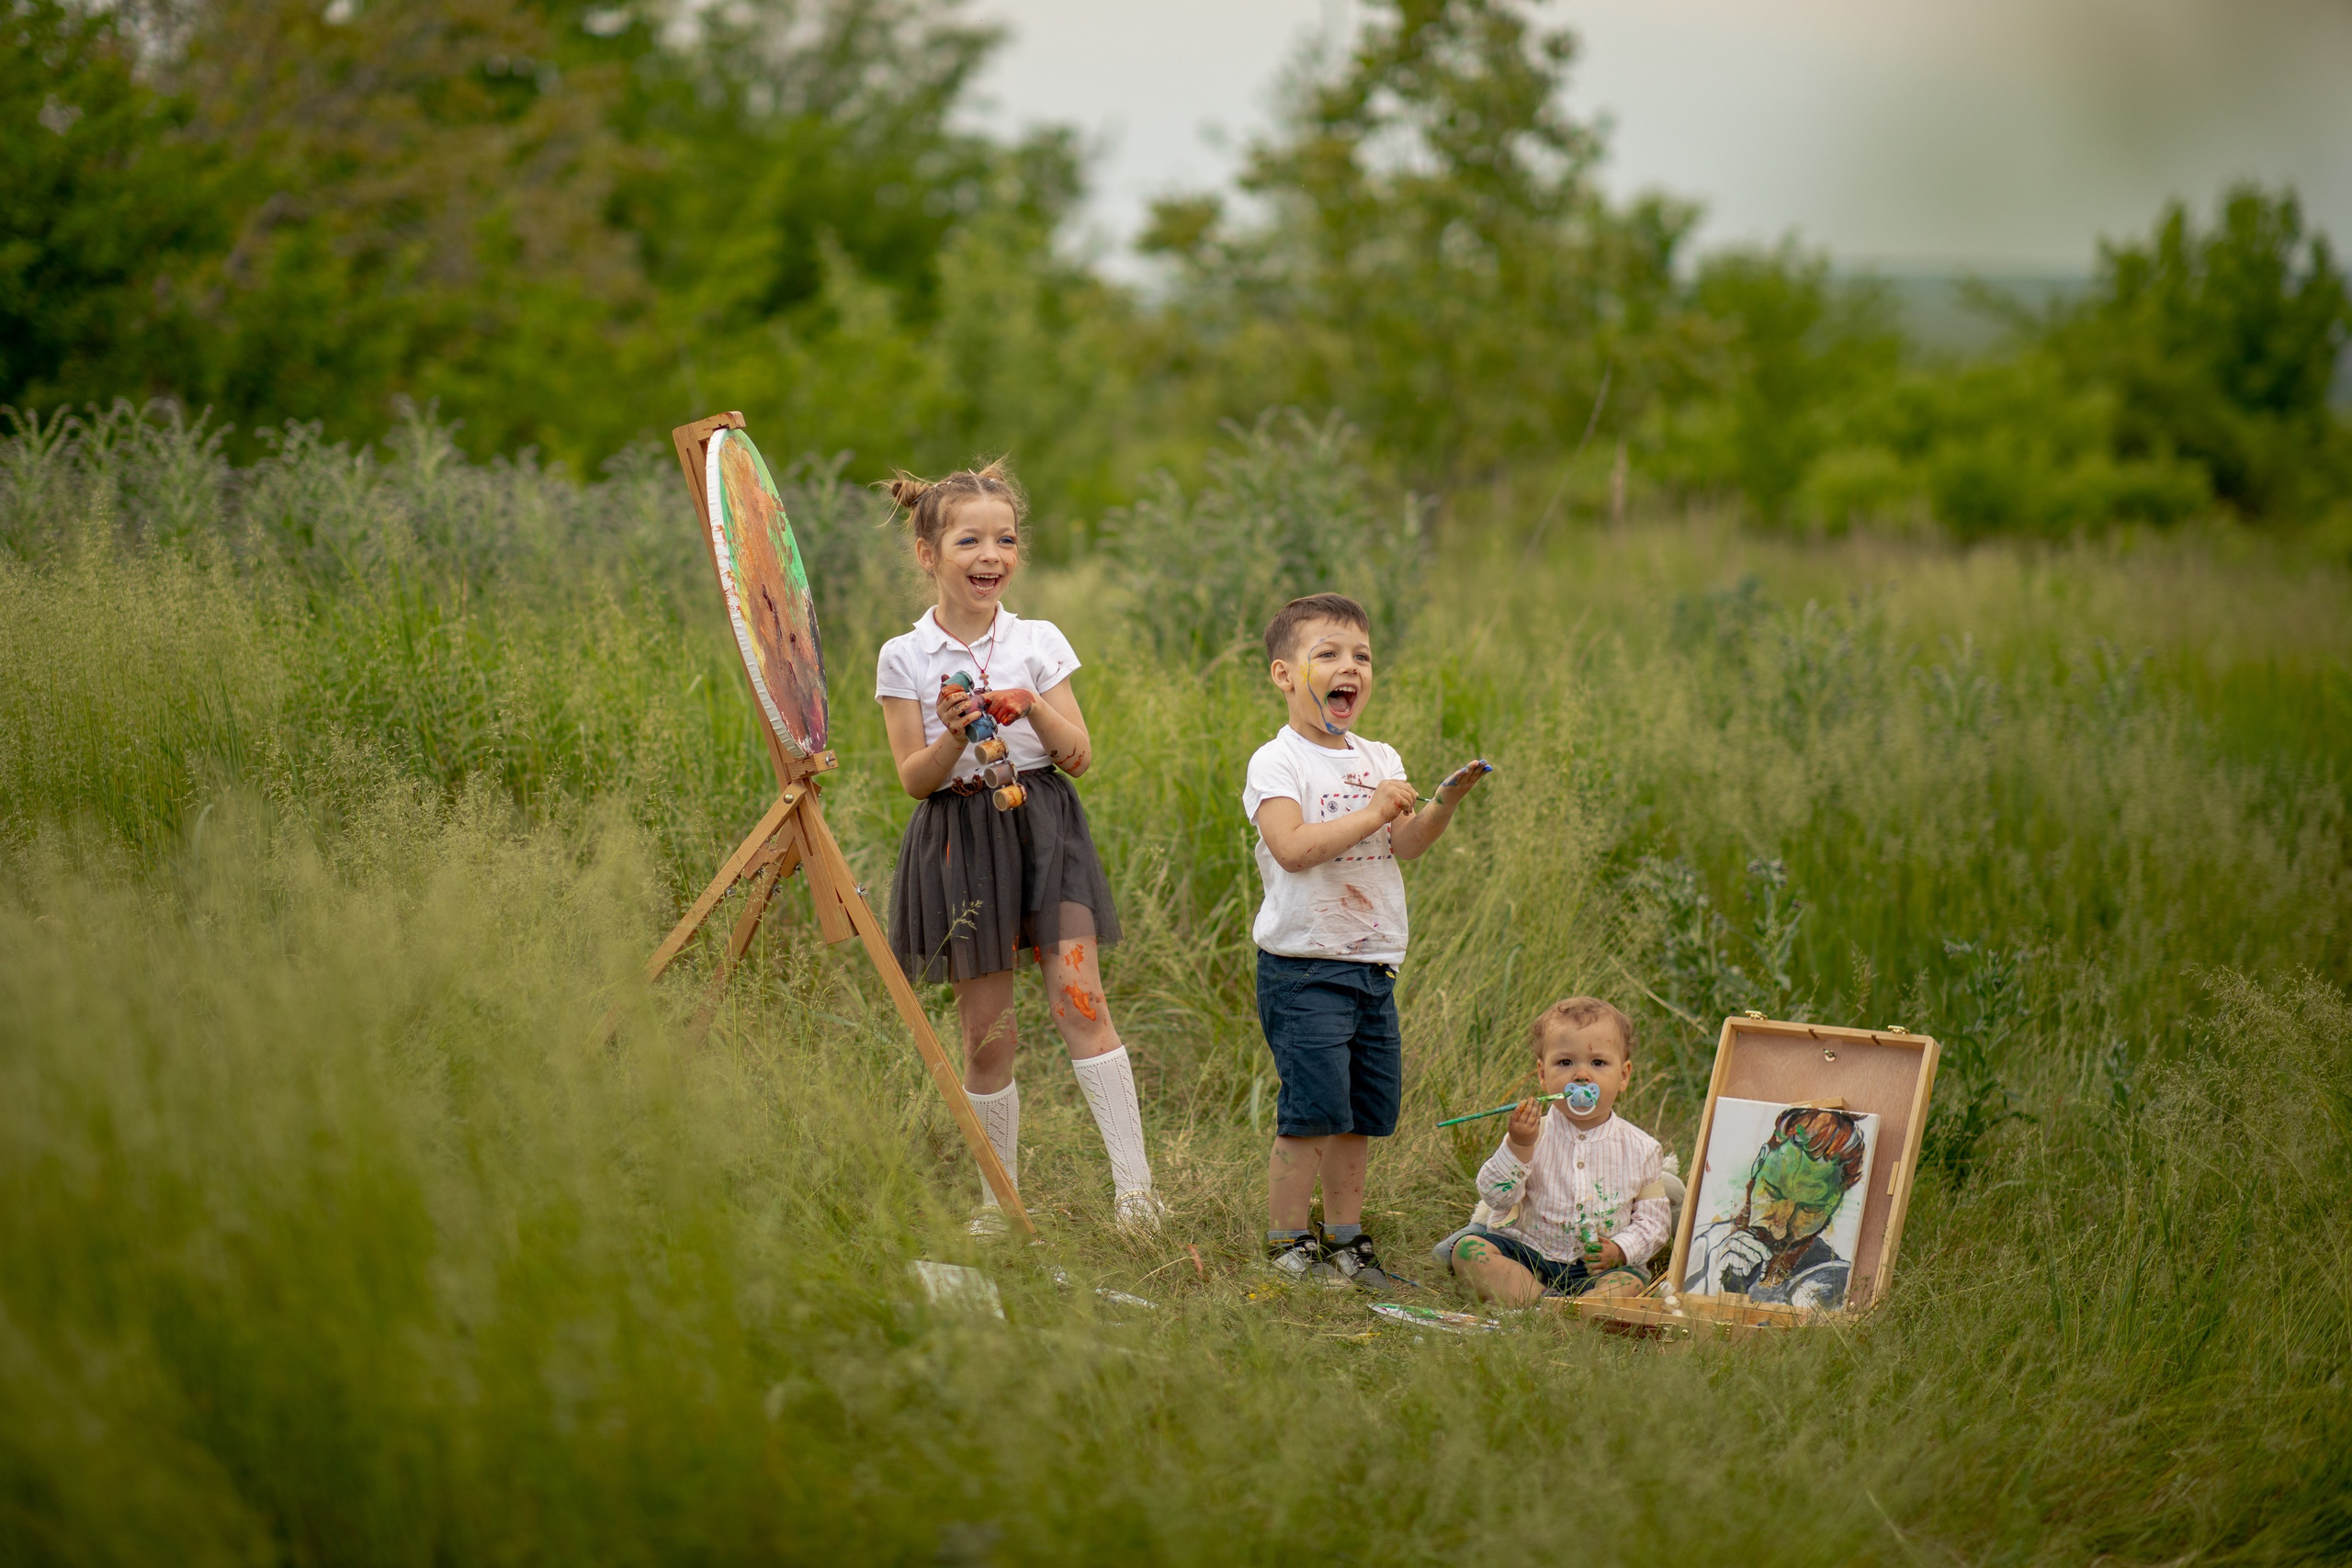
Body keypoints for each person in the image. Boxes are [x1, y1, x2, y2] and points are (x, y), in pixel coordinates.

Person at [875, 462, 1163, 1234]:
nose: (990, 555)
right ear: (928, 551)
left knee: (1081, 1000)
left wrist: (1029, 705)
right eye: (969, 539)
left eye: (1004, 539)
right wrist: (954, 733)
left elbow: (1079, 753)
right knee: (988, 1034)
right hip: (960, 835)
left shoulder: (1037, 640)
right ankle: (997, 1202)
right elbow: (912, 777)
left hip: (1045, 824)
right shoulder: (903, 656)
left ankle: (1137, 1193)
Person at [1245, 592, 1491, 1288]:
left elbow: (1405, 843)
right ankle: (1288, 1244)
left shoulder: (1377, 756)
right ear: (1285, 675)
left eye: (1361, 656)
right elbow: (1292, 848)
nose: (1348, 666)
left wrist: (1442, 802)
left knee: (1358, 1116)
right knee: (1311, 1113)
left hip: (1372, 967)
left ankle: (1348, 1242)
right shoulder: (1278, 762)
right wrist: (1374, 806)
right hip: (1304, 968)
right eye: (1327, 653)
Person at [1447, 998, 1670, 1307]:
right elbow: (1495, 1198)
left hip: (1594, 1268)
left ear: (1624, 1075)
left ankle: (1583, 1307)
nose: (1581, 1076)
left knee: (1628, 1283)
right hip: (1527, 1253)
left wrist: (1619, 1249)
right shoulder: (1530, 1133)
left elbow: (1655, 1223)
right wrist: (1518, 1146)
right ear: (1543, 1074)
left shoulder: (1643, 1149)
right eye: (1565, 1063)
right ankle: (1539, 1304)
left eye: (1598, 1063)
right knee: (1469, 1250)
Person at [1681, 1106, 1869, 1308]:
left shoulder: (1829, 1280)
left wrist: (1719, 1296)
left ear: (1835, 1203)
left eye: (1809, 1210)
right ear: (1760, 1161)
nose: (1779, 1230)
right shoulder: (1701, 1244)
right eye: (1773, 1193)